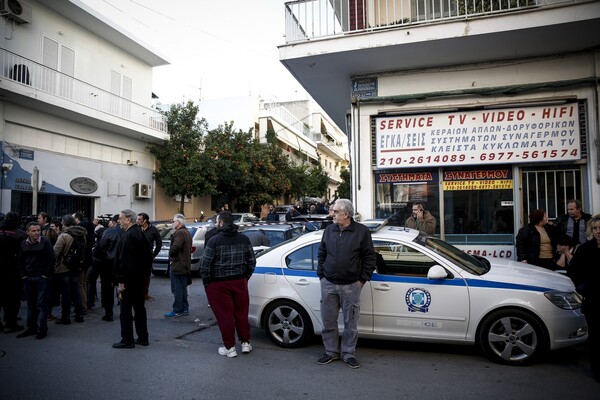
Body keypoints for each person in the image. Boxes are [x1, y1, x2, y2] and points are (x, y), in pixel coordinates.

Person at [317, 198, 376, 369]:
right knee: (328, 321)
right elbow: (322, 253)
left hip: (351, 285)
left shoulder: (362, 232)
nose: (332, 214)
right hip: (328, 283)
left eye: (335, 212)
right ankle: (330, 352)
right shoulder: (329, 230)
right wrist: (322, 275)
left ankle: (348, 353)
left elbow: (370, 258)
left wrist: (361, 280)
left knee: (351, 322)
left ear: (346, 214)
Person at [200, 211, 256, 358]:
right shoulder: (244, 239)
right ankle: (245, 343)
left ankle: (229, 347)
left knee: (225, 316)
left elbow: (205, 265)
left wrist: (207, 283)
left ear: (222, 223)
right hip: (239, 281)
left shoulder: (214, 240)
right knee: (241, 313)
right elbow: (251, 261)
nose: (217, 224)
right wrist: (245, 277)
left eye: (218, 221)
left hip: (219, 283)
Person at [112, 209, 152, 348]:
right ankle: (142, 337)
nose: (118, 220)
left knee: (126, 310)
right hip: (139, 279)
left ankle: (127, 339)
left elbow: (125, 261)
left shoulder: (129, 235)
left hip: (130, 280)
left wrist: (122, 281)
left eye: (121, 218)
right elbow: (147, 258)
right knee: (139, 308)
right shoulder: (139, 233)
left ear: (128, 219)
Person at [568, 214, 600, 382]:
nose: (597, 232)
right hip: (593, 300)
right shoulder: (586, 249)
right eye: (595, 228)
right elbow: (573, 270)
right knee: (595, 337)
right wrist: (582, 286)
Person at [17, 221, 56, 339]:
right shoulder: (23, 244)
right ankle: (31, 327)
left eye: (38, 230)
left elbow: (52, 258)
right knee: (31, 304)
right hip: (28, 278)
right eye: (33, 231)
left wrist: (45, 275)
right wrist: (23, 275)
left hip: (41, 278)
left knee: (41, 304)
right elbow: (20, 261)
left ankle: (42, 329)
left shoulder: (45, 242)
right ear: (28, 232)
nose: (37, 233)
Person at [53, 214, 87, 324]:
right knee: (76, 290)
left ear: (64, 223)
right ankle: (79, 314)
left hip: (64, 267)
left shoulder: (64, 236)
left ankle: (65, 317)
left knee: (65, 293)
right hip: (76, 266)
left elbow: (56, 252)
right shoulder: (81, 234)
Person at [92, 214, 123, 321]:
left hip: (108, 265)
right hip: (123, 265)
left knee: (107, 290)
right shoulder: (130, 232)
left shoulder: (109, 232)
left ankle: (108, 313)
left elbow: (101, 247)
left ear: (114, 222)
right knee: (124, 289)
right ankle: (125, 312)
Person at [0, 212, 27, 333]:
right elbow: (24, 254)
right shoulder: (20, 234)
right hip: (13, 270)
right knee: (13, 298)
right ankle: (10, 323)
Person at [165, 214, 192, 318]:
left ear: (179, 222)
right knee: (182, 288)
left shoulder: (180, 232)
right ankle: (184, 308)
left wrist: (171, 254)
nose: (172, 223)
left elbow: (176, 246)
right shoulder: (186, 232)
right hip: (184, 264)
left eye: (173, 221)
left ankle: (178, 310)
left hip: (178, 265)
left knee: (177, 289)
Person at [137, 212, 162, 301]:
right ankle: (137, 293)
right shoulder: (137, 229)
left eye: (140, 219)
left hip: (147, 257)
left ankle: (145, 294)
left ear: (145, 220)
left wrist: (154, 254)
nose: (138, 221)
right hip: (136, 256)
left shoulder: (153, 230)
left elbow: (159, 243)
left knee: (146, 276)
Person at [73, 212, 94, 311]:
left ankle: (83, 306)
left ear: (77, 219)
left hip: (82, 261)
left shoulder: (79, 233)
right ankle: (85, 304)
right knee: (83, 283)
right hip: (87, 260)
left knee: (80, 284)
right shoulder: (89, 230)